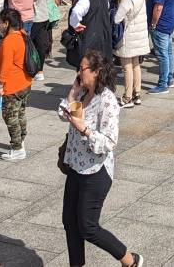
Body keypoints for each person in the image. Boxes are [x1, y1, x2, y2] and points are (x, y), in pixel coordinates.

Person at [58, 49, 144, 267]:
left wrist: (85, 130)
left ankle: (130, 260)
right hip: (75, 166)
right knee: (69, 222)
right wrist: (72, 93)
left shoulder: (107, 102)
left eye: (83, 68)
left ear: (96, 72)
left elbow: (109, 143)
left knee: (88, 226)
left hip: (96, 171)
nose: (79, 72)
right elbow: (63, 114)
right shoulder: (82, 92)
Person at [0, 7, 32, 161]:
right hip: (25, 82)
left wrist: (1, 85)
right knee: (21, 112)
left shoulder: (10, 40)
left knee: (10, 116)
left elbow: (6, 66)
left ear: (7, 23)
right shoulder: (22, 35)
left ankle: (17, 148)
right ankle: (21, 141)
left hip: (13, 84)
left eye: (1, 22)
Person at [112, 0, 150, 106]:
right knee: (136, 65)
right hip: (138, 36)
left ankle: (127, 97)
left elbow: (117, 18)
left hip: (129, 37)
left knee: (126, 67)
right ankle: (137, 94)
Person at [68, 0, 114, 64]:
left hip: (89, 36)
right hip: (103, 36)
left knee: (87, 66)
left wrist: (75, 24)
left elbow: (76, 12)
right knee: (100, 66)